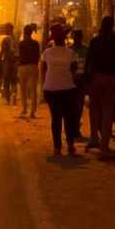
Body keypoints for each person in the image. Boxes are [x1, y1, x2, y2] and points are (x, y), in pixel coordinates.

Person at [85, 16, 115, 152]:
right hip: (110, 78)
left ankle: (94, 138)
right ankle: (104, 144)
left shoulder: (95, 41)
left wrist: (87, 80)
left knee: (94, 110)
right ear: (112, 26)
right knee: (108, 110)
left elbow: (88, 61)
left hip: (96, 78)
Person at [41, 25, 80, 155]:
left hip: (51, 88)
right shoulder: (70, 53)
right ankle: (70, 145)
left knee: (55, 118)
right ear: (64, 38)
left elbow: (44, 70)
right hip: (67, 88)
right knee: (69, 118)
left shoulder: (47, 53)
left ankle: (57, 147)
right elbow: (74, 70)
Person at [17, 24, 41, 118]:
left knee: (23, 89)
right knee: (33, 89)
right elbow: (38, 56)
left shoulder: (21, 44)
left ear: (24, 32)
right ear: (31, 33)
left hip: (23, 66)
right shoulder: (36, 43)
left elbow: (19, 56)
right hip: (33, 66)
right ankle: (32, 111)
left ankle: (24, 109)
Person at [70, 29, 89, 140]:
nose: (76, 38)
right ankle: (74, 129)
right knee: (73, 106)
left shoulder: (86, 50)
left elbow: (89, 65)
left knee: (79, 106)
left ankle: (75, 129)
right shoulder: (69, 50)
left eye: (78, 36)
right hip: (72, 81)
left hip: (81, 81)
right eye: (75, 36)